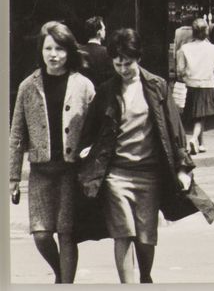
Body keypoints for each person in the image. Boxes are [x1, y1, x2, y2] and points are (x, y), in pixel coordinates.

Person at [78, 29, 199, 284]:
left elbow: (174, 130)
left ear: (139, 58)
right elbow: (91, 128)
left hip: (149, 174)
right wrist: (87, 149)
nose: (122, 68)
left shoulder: (157, 86)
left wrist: (182, 169)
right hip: (116, 175)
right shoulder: (107, 90)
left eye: (128, 62)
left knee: (145, 238)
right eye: (118, 62)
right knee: (123, 233)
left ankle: (145, 278)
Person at [9, 22, 96, 283]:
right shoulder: (28, 86)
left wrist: (90, 153)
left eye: (59, 48)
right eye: (48, 48)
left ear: (69, 51)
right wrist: (13, 177)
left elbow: (97, 127)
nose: (54, 54)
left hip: (71, 170)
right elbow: (16, 133)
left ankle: (65, 284)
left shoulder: (84, 85)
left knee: (66, 233)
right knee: (41, 234)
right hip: (41, 171)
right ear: (41, 50)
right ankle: (60, 274)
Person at [176, 18, 214, 153]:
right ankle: (194, 139)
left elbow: (180, 70)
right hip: (207, 84)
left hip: (190, 84)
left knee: (197, 114)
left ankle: (201, 143)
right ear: (206, 32)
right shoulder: (213, 49)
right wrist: (210, 75)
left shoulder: (184, 49)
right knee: (201, 116)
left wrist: (186, 77)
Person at [80, 16, 115, 87]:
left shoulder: (80, 52)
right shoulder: (107, 52)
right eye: (104, 29)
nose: (105, 31)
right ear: (99, 33)